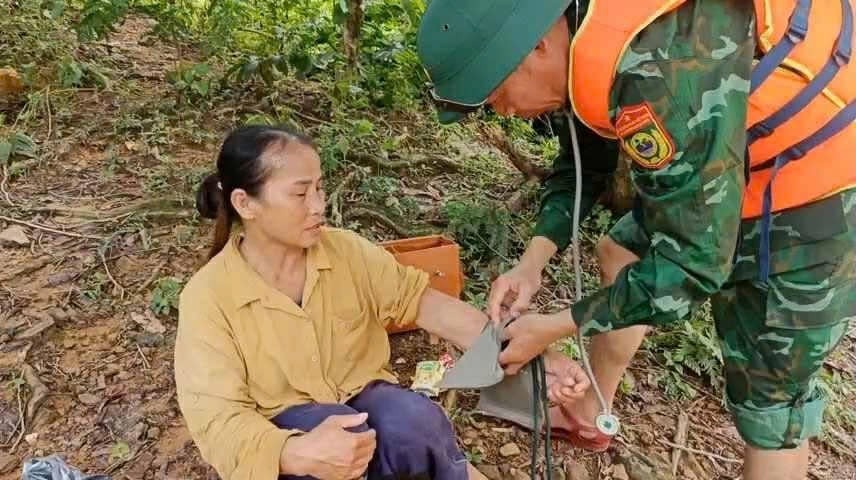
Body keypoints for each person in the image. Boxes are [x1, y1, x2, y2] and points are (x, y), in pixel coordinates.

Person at [415, 1, 856, 479]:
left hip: (818, 190)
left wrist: (560, 324)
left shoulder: (656, 71)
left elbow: (694, 267)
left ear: (536, 47)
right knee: (621, 250)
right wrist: (531, 262)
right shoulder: (578, 34)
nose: (505, 112)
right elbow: (585, 164)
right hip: (719, 166)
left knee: (770, 405)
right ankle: (589, 413)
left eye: (496, 95)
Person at [173, 125, 592, 480]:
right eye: (300, 194)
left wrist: (536, 357)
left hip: (362, 403)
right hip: (285, 433)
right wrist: (294, 452)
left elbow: (427, 305)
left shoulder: (345, 251)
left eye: (320, 188)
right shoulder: (209, 298)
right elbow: (218, 421)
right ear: (245, 203)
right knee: (336, 450)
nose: (318, 206)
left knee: (415, 423)